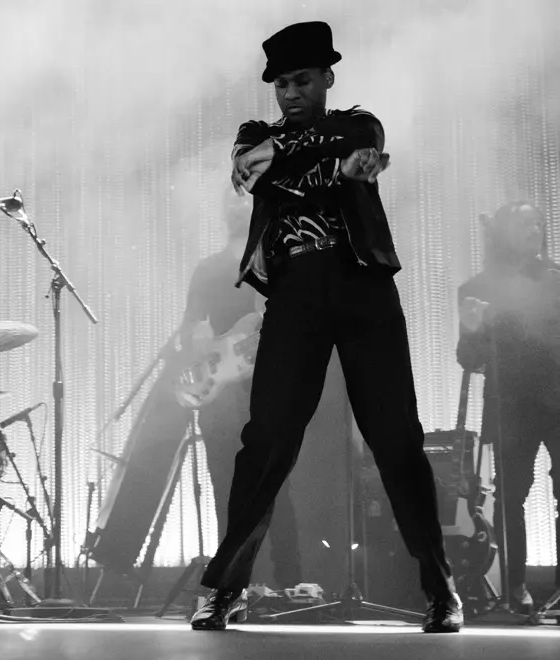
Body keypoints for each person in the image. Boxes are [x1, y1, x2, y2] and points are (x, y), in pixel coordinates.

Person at [189, 21, 462, 633]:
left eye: (302, 81)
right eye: (281, 84)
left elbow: (345, 147)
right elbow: (252, 172)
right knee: (266, 442)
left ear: (327, 78)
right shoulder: (254, 135)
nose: (290, 93)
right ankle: (227, 588)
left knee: (396, 440)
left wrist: (301, 163)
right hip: (294, 297)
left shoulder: (358, 125)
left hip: (363, 290)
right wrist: (335, 172)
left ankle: (441, 589)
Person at [177, 195, 302, 589]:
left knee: (271, 487)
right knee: (230, 487)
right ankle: (234, 584)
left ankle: (286, 584)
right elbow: (188, 328)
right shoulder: (210, 269)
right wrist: (197, 338)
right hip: (222, 394)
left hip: (261, 390)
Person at [457, 201, 560, 614]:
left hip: (557, 400)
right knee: (510, 497)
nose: (535, 230)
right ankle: (516, 589)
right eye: (524, 223)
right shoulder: (478, 288)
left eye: (539, 223)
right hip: (510, 405)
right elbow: (469, 359)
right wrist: (472, 330)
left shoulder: (556, 279)